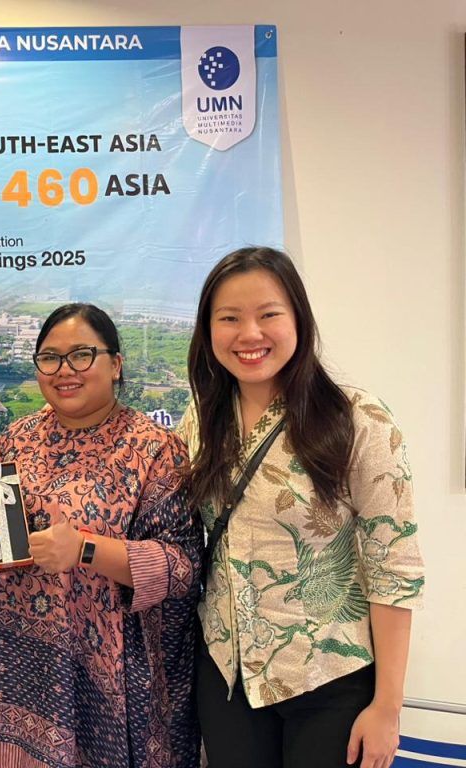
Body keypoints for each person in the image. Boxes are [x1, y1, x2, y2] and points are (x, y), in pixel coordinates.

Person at [178, 247, 425, 768]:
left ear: (298, 319)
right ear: (208, 330)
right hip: (228, 674)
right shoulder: (199, 421)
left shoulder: (357, 418)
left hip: (330, 675)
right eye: (229, 318)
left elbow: (394, 569)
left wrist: (387, 707)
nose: (249, 334)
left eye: (268, 314)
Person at [0, 303, 202, 768]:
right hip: (29, 667)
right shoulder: (15, 440)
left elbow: (181, 567)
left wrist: (84, 549)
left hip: (118, 674)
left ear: (115, 364)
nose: (65, 370)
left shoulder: (154, 448)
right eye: (50, 358)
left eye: (82, 355)